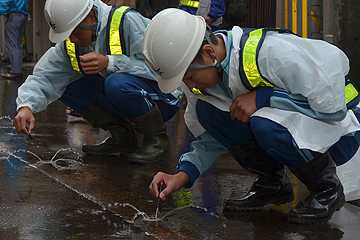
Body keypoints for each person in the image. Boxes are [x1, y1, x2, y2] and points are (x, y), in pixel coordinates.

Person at [143, 8, 360, 224]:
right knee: (207, 113)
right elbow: (214, 136)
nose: (189, 86)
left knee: (263, 124)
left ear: (209, 52)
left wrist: (264, 97)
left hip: (344, 131)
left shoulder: (270, 52)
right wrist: (181, 176)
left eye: (189, 76)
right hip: (301, 130)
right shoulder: (205, 77)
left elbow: (334, 109)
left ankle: (327, 189)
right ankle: (272, 184)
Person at [12, 0, 181, 163]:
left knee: (116, 82)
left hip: (164, 97)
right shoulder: (71, 44)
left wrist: (111, 63)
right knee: (66, 84)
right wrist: (25, 106)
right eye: (68, 35)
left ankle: (157, 139)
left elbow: (161, 69)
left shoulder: (127, 21)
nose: (73, 40)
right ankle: (122, 136)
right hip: (127, 93)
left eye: (76, 32)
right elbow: (45, 76)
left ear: (91, 18)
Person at [0, 0, 29, 78]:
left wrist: (1, 11)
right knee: (17, 44)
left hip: (14, 15)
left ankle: (15, 72)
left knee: (12, 45)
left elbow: (5, 1)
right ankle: (17, 70)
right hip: (23, 15)